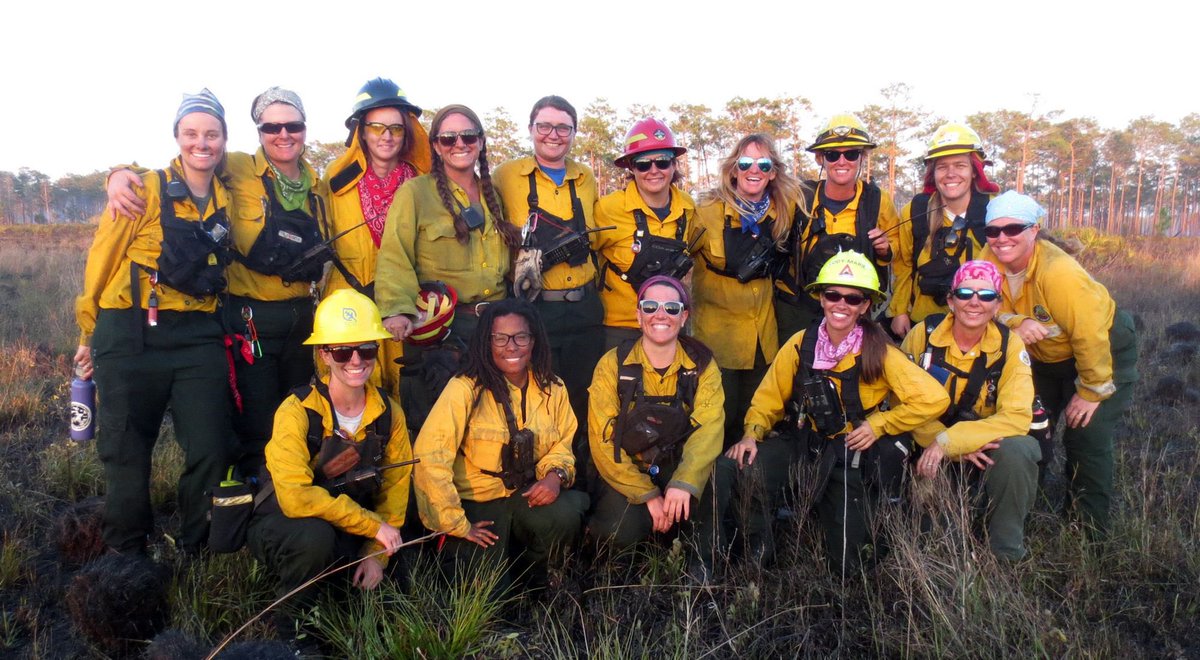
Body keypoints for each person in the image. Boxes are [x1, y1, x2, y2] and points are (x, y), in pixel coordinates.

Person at [107, 87, 334, 474]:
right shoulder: (238, 167)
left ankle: (293, 496)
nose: (283, 134)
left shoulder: (320, 185)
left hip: (302, 316)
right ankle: (251, 507)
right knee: (258, 421)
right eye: (271, 126)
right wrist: (119, 176)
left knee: (299, 412)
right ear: (258, 131)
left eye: (292, 125)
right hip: (251, 317)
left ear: (304, 129)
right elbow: (189, 161)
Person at [74, 89, 234, 554]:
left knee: (210, 446)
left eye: (211, 134)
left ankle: (196, 548)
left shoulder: (228, 193)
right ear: (177, 137)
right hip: (129, 332)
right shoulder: (142, 188)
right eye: (191, 133)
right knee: (126, 451)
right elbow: (100, 262)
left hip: (199, 336)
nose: (201, 143)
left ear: (224, 139)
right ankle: (127, 555)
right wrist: (88, 333)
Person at [736, 251, 949, 573]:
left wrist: (880, 424)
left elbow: (934, 398)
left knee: (849, 561)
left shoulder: (880, 350)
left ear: (865, 306)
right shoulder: (799, 343)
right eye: (832, 295)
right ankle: (758, 551)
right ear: (821, 299)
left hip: (850, 453)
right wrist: (752, 435)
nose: (841, 304)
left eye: (853, 299)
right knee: (744, 468)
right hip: (803, 442)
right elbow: (768, 399)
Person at [248, 289, 413, 641]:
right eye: (342, 350)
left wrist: (376, 554)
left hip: (352, 524)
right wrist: (372, 526)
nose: (356, 360)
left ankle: (347, 590)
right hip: (288, 523)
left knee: (400, 568)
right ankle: (295, 630)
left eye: (366, 349)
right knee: (315, 539)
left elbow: (396, 494)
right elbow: (294, 498)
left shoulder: (390, 414)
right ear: (324, 355)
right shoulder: (296, 412)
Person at [980, 192, 1138, 538]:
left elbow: (1089, 334)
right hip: (1046, 357)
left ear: (1034, 229)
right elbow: (979, 303)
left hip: (1102, 350)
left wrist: (1092, 391)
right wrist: (1014, 320)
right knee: (1031, 427)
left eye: (1013, 228)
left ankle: (1088, 532)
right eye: (992, 231)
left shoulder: (1059, 272)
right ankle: (1023, 510)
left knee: (1086, 436)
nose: (1001, 238)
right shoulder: (987, 258)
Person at [412, 299, 587, 591]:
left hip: (525, 494)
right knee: (488, 596)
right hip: (476, 505)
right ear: (486, 341)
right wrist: (456, 523)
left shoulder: (552, 387)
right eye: (500, 338)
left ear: (533, 340)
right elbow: (431, 456)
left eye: (521, 336)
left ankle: (537, 575)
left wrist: (555, 476)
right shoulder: (465, 388)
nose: (512, 346)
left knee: (564, 514)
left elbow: (563, 443)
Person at [494, 96, 603, 487]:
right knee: (540, 401)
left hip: (586, 309)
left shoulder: (586, 176)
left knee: (586, 400)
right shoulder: (506, 176)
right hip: (537, 312)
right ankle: (538, 482)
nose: (553, 135)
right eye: (544, 126)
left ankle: (586, 485)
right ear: (531, 129)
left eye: (563, 128)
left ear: (574, 133)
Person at [900, 260, 1040, 560]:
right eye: (965, 293)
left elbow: (1017, 416)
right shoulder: (922, 335)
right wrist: (938, 442)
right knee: (935, 533)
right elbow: (900, 400)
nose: (974, 302)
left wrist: (951, 441)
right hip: (926, 442)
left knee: (1019, 449)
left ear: (997, 304)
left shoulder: (1010, 345)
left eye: (986, 295)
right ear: (951, 300)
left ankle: (1006, 552)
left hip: (981, 446)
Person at [587, 275, 725, 580]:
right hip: (632, 472)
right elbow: (603, 441)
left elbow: (709, 429)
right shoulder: (612, 365)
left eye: (671, 308)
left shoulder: (701, 365)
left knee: (719, 474)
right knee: (620, 531)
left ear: (684, 316)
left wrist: (684, 482)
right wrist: (647, 495)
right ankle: (622, 568)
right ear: (638, 315)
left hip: (678, 467)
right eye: (650, 306)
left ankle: (701, 561)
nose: (660, 315)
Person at [322, 78, 431, 397]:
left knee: (409, 390)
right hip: (350, 302)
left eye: (396, 128)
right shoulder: (335, 180)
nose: (386, 136)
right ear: (361, 130)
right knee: (353, 389)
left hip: (408, 304)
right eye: (377, 127)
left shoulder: (422, 182)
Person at [376, 104, 520, 345]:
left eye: (469, 136)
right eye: (448, 139)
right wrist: (397, 310)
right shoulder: (415, 192)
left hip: (497, 326)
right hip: (442, 330)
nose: (460, 144)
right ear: (436, 146)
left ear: (481, 141)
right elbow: (394, 254)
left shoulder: (493, 194)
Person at [774, 113, 900, 341]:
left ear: (862, 158)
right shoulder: (799, 197)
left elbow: (898, 250)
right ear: (820, 159)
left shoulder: (877, 200)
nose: (842, 162)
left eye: (851, 154)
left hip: (853, 308)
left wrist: (884, 250)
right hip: (800, 309)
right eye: (832, 155)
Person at [593, 118, 697, 349]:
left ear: (673, 165)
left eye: (662, 162)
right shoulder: (608, 209)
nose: (654, 171)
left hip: (669, 324)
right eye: (643, 164)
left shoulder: (689, 208)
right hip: (619, 328)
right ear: (631, 167)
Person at [890, 123, 1001, 337]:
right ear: (933, 173)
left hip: (983, 327)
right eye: (942, 167)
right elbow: (903, 265)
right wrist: (899, 311)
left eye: (960, 165)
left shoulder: (994, 211)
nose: (951, 174)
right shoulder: (915, 212)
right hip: (924, 325)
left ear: (975, 171)